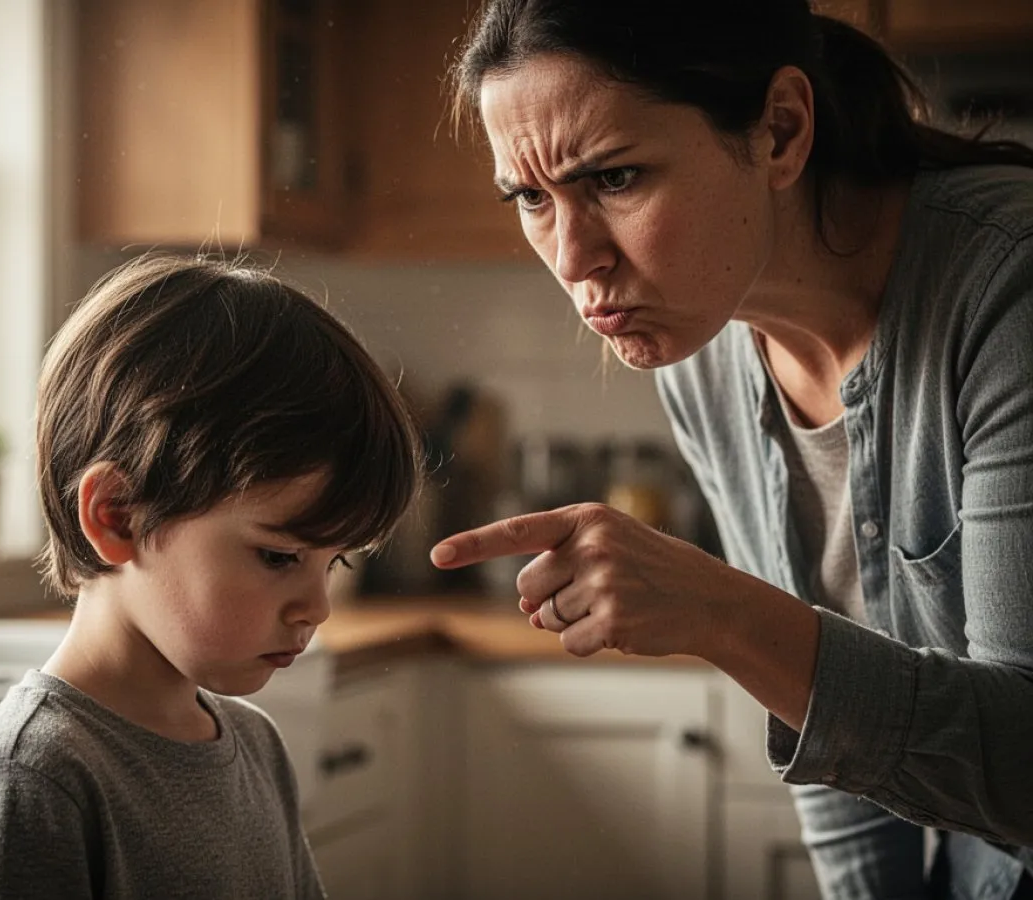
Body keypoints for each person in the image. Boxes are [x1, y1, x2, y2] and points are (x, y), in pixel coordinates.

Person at [431, 1, 1033, 897]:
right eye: (531, 197)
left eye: (617, 177)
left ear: (781, 131)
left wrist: (724, 613)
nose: (572, 258)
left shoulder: (1007, 292)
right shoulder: (702, 350)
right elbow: (840, 755)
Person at [0, 254, 423, 898]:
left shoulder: (254, 744)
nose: (316, 608)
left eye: (336, 562)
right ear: (118, 517)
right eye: (279, 557)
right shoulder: (32, 783)